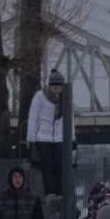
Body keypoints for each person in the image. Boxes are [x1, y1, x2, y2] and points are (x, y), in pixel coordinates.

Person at [26, 69, 69, 206]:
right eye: (54, 85)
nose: (56, 88)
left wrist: (72, 139)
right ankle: (50, 194)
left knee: (60, 166)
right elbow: (33, 118)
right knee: (47, 167)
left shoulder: (66, 98)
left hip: (60, 137)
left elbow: (70, 120)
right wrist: (31, 139)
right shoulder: (40, 97)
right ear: (49, 85)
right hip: (43, 137)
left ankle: (61, 193)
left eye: (59, 85)